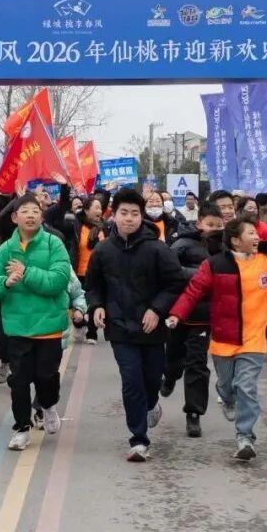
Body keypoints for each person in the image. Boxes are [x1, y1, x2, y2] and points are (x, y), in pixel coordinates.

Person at [167, 215, 267, 460]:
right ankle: (225, 396)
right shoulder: (215, 264)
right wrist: (177, 314)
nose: (257, 237)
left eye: (256, 233)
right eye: (251, 233)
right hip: (223, 339)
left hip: (254, 339)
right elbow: (193, 291)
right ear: (236, 241)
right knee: (227, 385)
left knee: (246, 387)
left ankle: (245, 437)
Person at [84, 189, 187, 462]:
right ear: (114, 215)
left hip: (152, 328)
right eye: (124, 213)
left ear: (142, 217)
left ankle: (152, 403)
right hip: (119, 327)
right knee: (131, 381)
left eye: (134, 214)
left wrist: (157, 309)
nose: (129, 218)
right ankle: (139, 439)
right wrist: (97, 306)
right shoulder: (103, 250)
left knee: (151, 379)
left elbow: (175, 283)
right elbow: (93, 285)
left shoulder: (158, 249)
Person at [0, 194, 72, 451]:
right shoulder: (5, 249)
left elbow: (58, 280)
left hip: (48, 326)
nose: (30, 215)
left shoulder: (54, 244)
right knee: (19, 382)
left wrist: (26, 273)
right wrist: (4, 283)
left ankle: (48, 405)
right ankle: (21, 428)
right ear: (14, 217)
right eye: (25, 211)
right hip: (17, 327)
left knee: (46, 376)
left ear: (42, 217)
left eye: (35, 211)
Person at [162, 202, 223, 437]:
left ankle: (194, 413)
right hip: (178, 313)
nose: (214, 229)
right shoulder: (182, 244)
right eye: (210, 224)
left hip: (203, 316)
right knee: (173, 357)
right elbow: (170, 272)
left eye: (218, 225)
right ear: (199, 223)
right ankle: (169, 377)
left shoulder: (226, 247)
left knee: (197, 364)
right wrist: (201, 276)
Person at [72, 197, 106, 345]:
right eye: (96, 207)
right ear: (86, 210)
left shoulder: (104, 227)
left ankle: (92, 332)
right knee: (78, 302)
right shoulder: (77, 225)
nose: (99, 211)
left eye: (100, 208)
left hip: (97, 273)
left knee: (94, 301)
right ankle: (79, 324)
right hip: (79, 271)